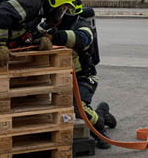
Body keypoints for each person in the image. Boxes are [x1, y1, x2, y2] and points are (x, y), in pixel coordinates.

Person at [49, 8, 116, 149]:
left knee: (79, 107)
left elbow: (84, 38)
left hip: (85, 76)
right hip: (64, 78)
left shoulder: (79, 24)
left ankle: (99, 129)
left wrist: (55, 36)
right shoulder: (51, 23)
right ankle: (102, 113)